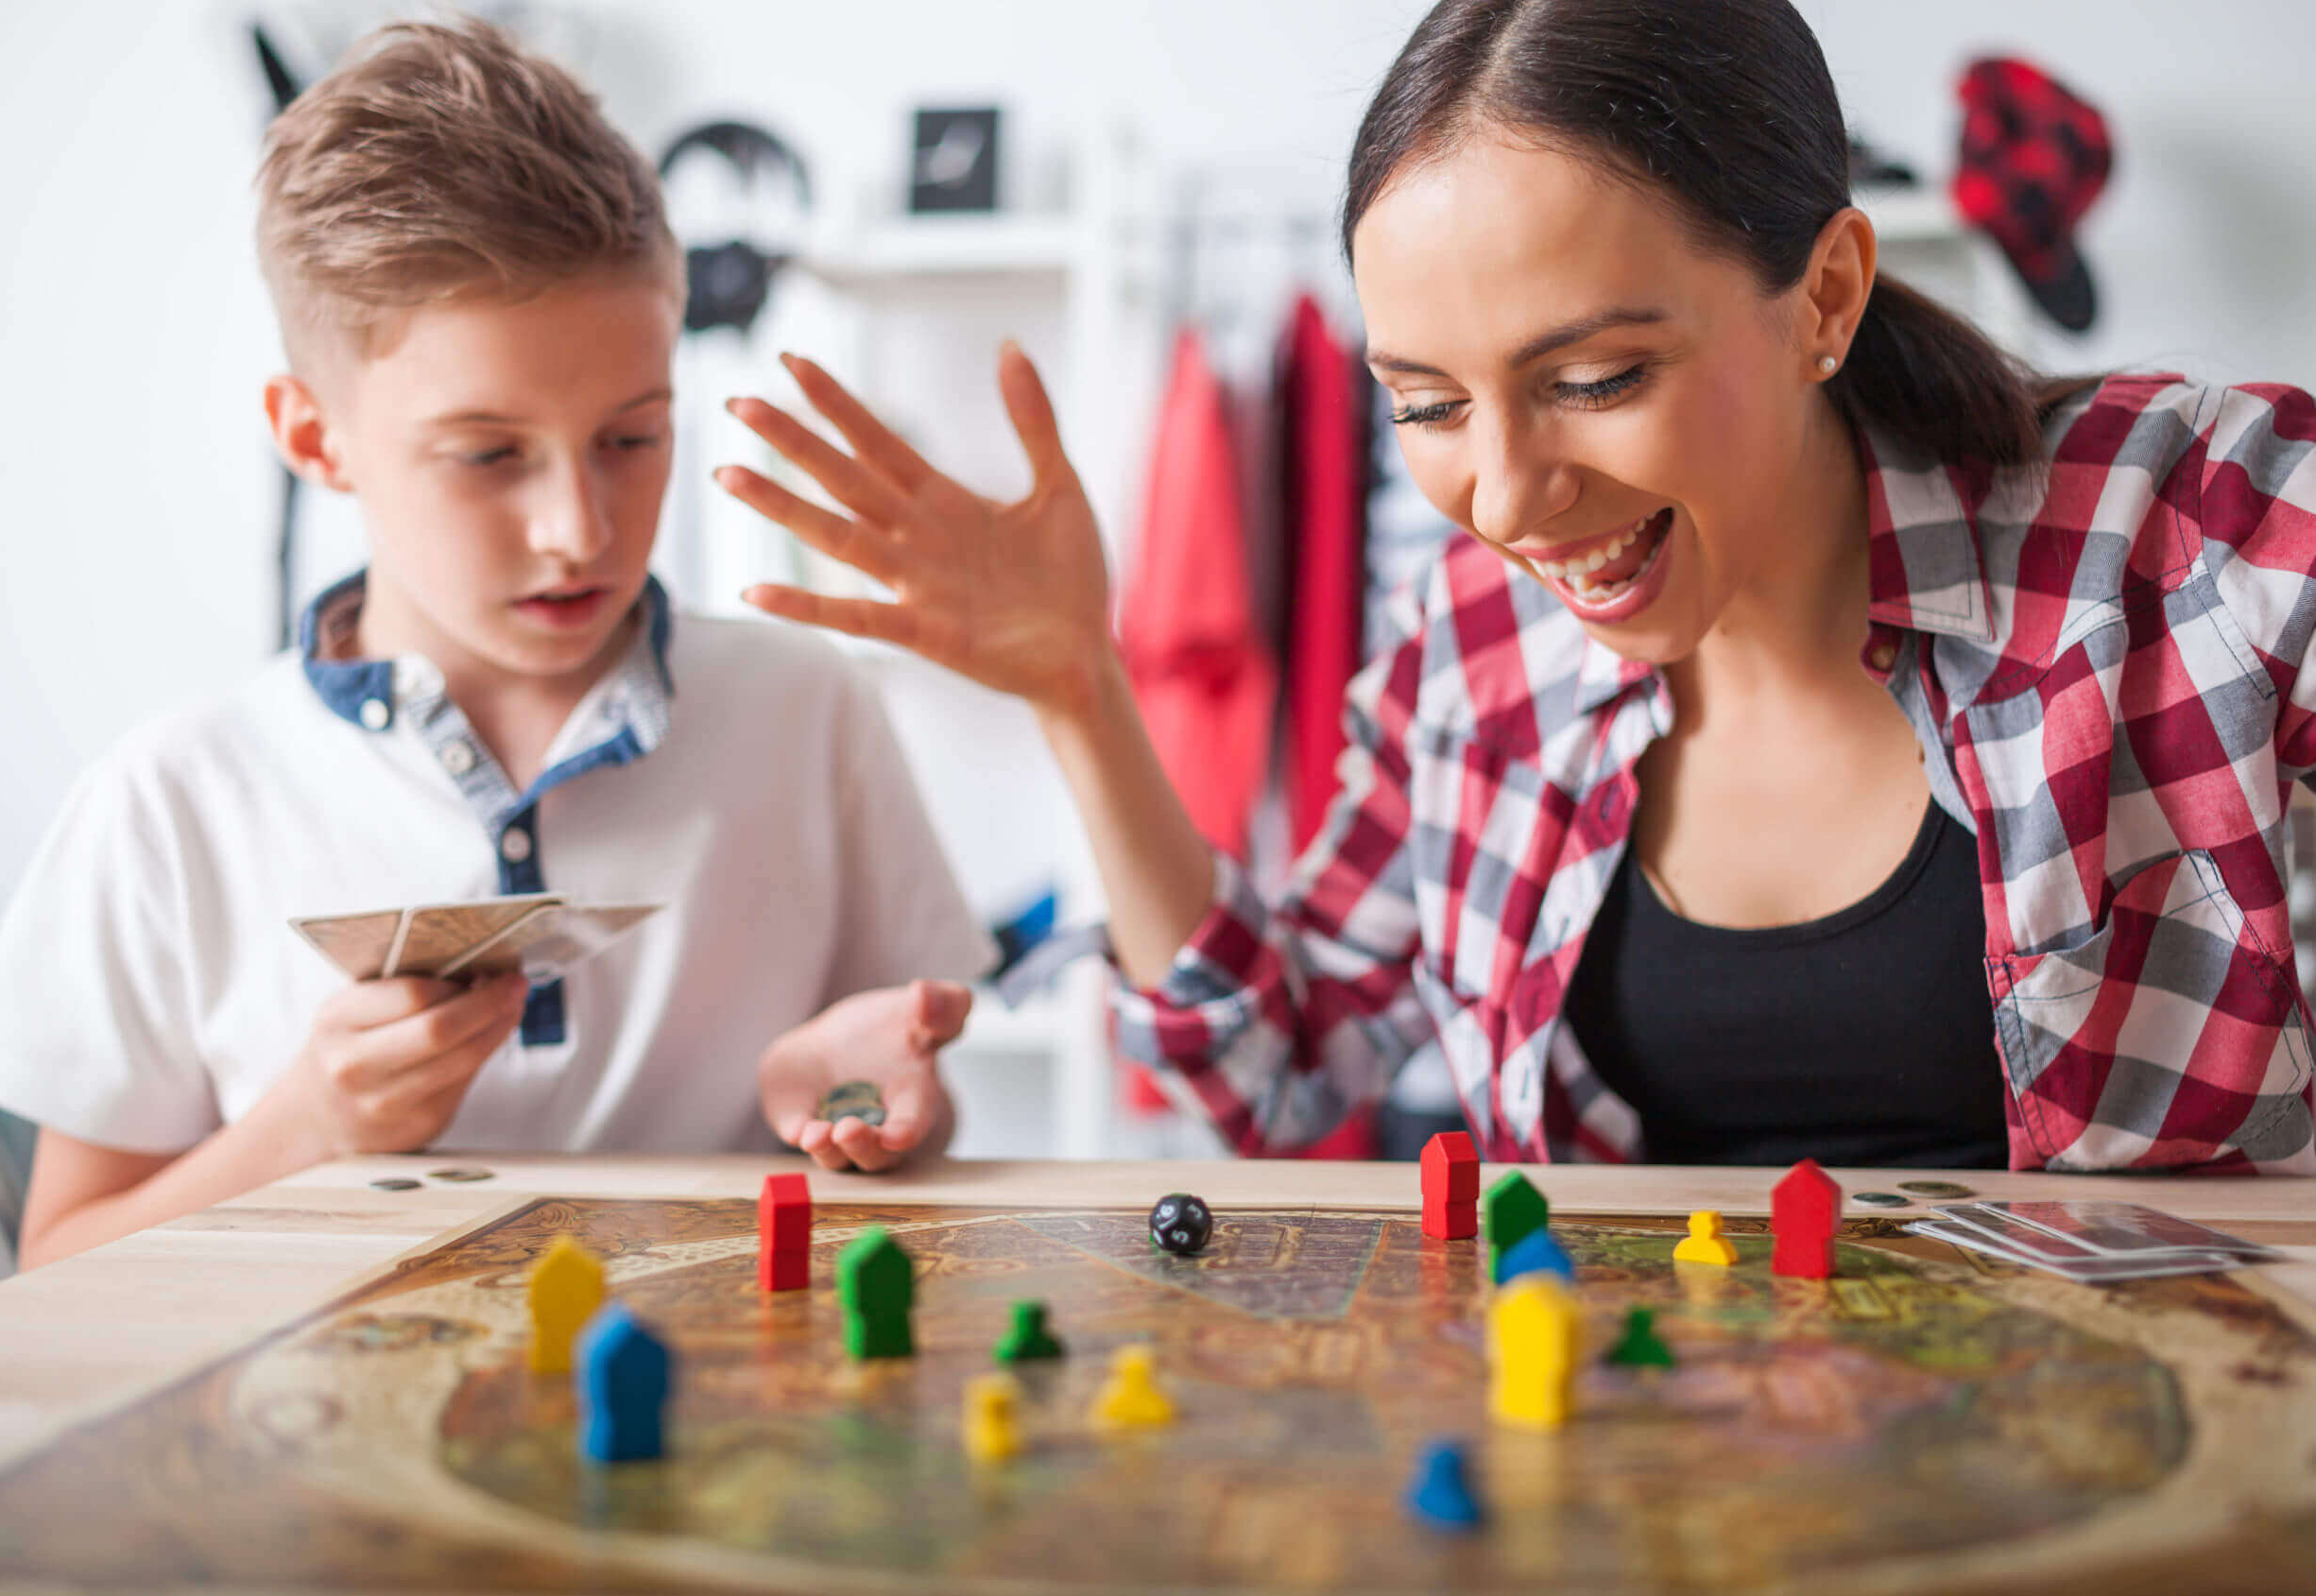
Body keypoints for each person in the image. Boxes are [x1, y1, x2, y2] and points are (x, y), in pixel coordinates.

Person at [721, 0, 2315, 1175]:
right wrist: (1081, 688)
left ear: (1824, 294)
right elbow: (1281, 1070)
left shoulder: (2190, 524)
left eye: (1599, 376)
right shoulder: (1472, 654)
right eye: (1424, 402)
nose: (1503, 494)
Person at [0, 19, 994, 1269]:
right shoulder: (171, 803)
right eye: (489, 454)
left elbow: (912, 1130)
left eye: (632, 437)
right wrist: (306, 1125)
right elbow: (55, 1268)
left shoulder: (809, 709)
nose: (579, 530)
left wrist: (861, 1105)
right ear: (314, 437)